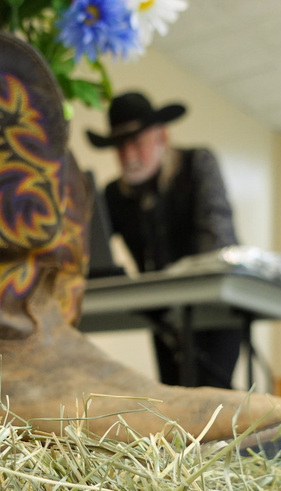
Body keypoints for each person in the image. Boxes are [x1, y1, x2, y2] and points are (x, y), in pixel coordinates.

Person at [87, 91, 244, 389]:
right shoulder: (114, 196)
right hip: (163, 316)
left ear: (161, 136)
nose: (128, 156)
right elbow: (93, 248)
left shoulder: (197, 165)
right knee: (173, 393)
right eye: (120, 147)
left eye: (136, 143)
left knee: (214, 392)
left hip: (215, 309)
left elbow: (217, 237)